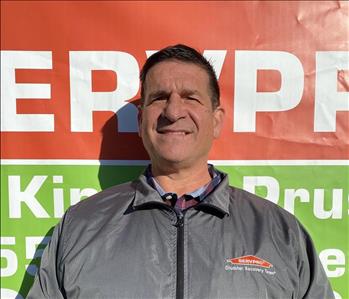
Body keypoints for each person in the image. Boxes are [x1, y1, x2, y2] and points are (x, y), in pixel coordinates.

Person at [28, 44, 334, 299]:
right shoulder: (81, 226)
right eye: (159, 97)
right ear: (140, 121)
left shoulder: (279, 231)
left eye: (190, 97)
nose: (173, 112)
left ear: (216, 121)